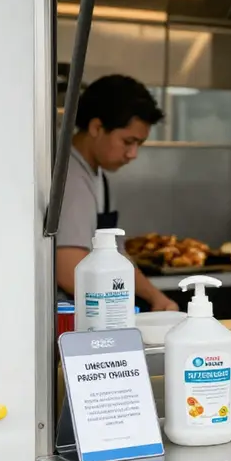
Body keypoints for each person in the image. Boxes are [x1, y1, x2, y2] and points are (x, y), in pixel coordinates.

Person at [56, 74, 179, 312]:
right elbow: (68, 268)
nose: (133, 154)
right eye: (128, 142)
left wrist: (156, 298)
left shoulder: (96, 176)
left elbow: (116, 256)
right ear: (96, 127)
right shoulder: (69, 178)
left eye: (139, 144)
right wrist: (119, 305)